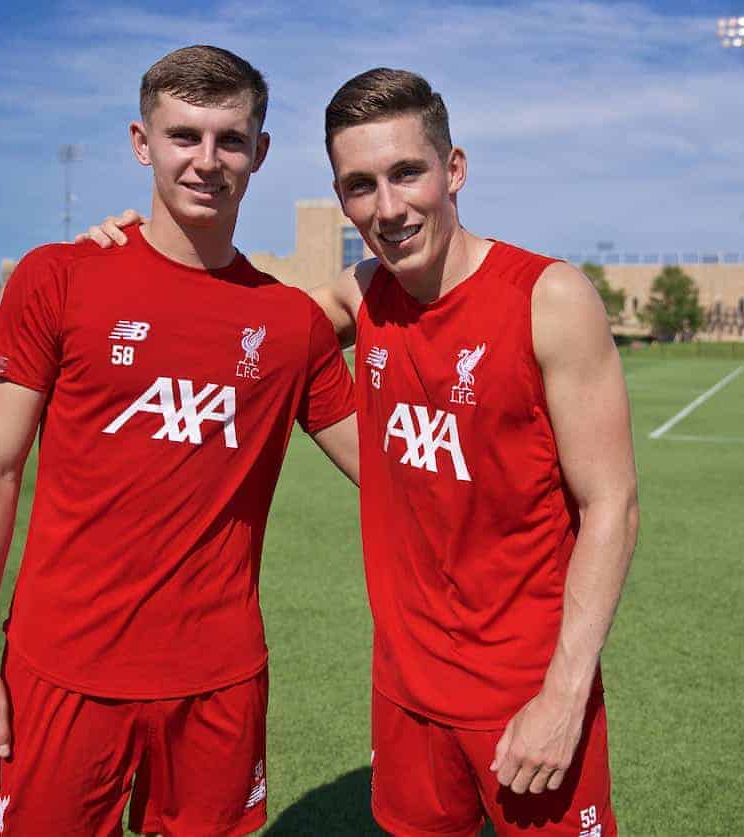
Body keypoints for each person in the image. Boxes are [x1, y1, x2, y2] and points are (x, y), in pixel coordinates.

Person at [85, 67, 639, 836]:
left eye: (407, 172)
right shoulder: (359, 293)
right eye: (359, 185)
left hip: (528, 689)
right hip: (406, 696)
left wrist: (565, 692)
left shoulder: (548, 298)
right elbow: (234, 328)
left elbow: (610, 504)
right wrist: (137, 253)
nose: (388, 207)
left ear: (454, 170)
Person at [0, 45, 358, 837]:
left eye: (231, 139)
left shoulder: (289, 324)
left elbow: (392, 468)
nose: (208, 160)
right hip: (63, 668)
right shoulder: (59, 278)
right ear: (142, 142)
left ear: (260, 152)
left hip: (219, 680)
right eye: (184, 136)